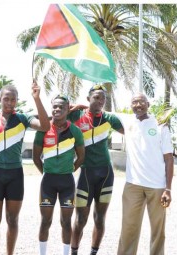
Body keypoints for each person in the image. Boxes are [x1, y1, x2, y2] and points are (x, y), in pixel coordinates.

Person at [0, 81, 50, 255]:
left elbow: (45, 126)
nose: (10, 102)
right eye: (6, 99)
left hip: (15, 175)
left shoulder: (23, 118)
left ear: (17, 101)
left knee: (12, 220)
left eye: (13, 99)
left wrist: (37, 99)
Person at [68, 84, 124, 255]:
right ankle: (74, 251)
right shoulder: (76, 115)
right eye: (96, 97)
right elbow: (53, 117)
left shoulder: (109, 118)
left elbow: (132, 132)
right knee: (80, 219)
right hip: (85, 173)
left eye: (103, 98)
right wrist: (75, 107)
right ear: (88, 98)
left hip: (106, 173)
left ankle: (93, 252)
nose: (100, 101)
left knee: (99, 219)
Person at [117, 93, 174, 255]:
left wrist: (168, 189)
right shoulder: (128, 121)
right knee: (128, 226)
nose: (138, 105)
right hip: (132, 185)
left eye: (141, 102)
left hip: (157, 186)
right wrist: (80, 107)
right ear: (131, 105)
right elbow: (101, 112)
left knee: (158, 229)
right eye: (134, 102)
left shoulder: (160, 125)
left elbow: (169, 159)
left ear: (148, 104)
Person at [33, 94, 85, 255]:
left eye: (61, 107)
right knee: (45, 221)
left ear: (68, 109)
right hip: (47, 181)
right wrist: (47, 173)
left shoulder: (75, 131)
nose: (57, 109)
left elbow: (81, 157)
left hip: (67, 182)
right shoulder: (44, 129)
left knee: (66, 222)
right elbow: (36, 157)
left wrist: (68, 171)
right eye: (54, 106)